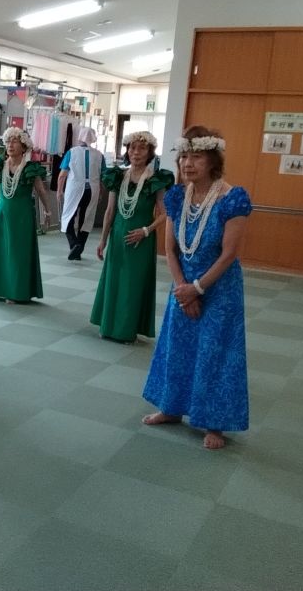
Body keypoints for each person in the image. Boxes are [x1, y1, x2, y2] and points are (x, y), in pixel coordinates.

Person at [141, 125, 252, 450]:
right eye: (184, 157)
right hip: (182, 285)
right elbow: (170, 248)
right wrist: (183, 289)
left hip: (220, 288)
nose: (188, 164)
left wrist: (198, 289)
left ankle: (213, 423)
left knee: (214, 352)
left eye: (197, 157)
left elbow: (229, 254)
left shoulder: (232, 198)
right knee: (177, 346)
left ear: (213, 161)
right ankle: (171, 407)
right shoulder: (178, 197)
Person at [90, 131, 175, 343]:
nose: (136, 152)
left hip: (142, 240)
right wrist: (103, 239)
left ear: (150, 153)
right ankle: (108, 326)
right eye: (132, 148)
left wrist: (146, 230)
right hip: (118, 236)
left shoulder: (155, 180)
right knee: (114, 281)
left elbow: (165, 213)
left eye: (142, 148)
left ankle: (126, 331)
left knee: (132, 284)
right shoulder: (117, 177)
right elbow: (110, 211)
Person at [0, 127, 51, 303]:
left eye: (14, 141)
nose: (10, 145)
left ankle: (13, 291)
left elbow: (41, 191)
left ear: (24, 146)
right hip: (1, 212)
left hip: (22, 215)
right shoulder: (0, 165)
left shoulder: (30, 168)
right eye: (8, 141)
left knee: (16, 252)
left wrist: (47, 211)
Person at [57, 127, 104, 260]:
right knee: (87, 218)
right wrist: (100, 192)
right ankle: (79, 248)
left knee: (68, 216)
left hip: (74, 189)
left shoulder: (72, 152)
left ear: (80, 137)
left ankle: (74, 244)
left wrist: (59, 191)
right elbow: (102, 177)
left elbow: (62, 174)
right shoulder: (99, 155)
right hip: (92, 190)